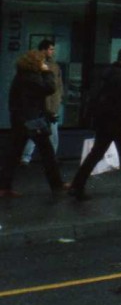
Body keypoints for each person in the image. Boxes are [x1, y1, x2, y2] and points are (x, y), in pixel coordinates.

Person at [69, 49, 121, 199]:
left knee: (95, 154)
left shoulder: (105, 74)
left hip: (103, 122)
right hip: (119, 124)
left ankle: (77, 185)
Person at [0, 45, 67, 196]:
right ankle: (56, 184)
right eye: (42, 61)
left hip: (23, 119)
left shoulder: (22, 76)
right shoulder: (31, 77)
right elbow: (49, 88)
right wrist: (47, 71)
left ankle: (4, 186)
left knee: (14, 153)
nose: (44, 63)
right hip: (32, 120)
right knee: (47, 152)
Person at [21, 39, 63, 167]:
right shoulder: (38, 66)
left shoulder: (55, 66)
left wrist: (60, 98)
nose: (53, 52)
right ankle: (28, 157)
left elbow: (59, 85)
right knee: (41, 133)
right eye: (50, 49)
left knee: (49, 134)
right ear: (43, 50)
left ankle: (30, 157)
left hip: (52, 104)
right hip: (42, 106)